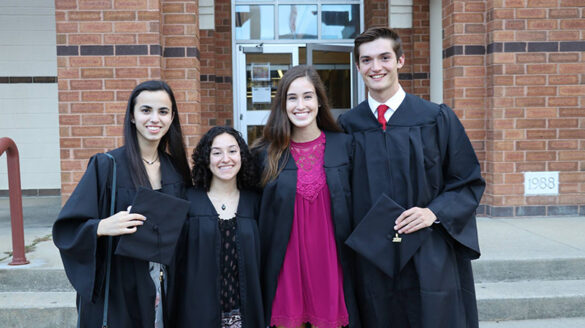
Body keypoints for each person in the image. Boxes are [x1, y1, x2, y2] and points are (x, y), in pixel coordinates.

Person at [337, 27, 486, 328]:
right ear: (357, 67)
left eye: (384, 57)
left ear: (400, 60)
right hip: (371, 254)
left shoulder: (435, 117)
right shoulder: (347, 126)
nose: (375, 67)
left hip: (428, 250)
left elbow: (467, 180)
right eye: (366, 60)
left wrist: (433, 212)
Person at [53, 80, 192, 327]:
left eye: (163, 112)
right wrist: (101, 226)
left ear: (172, 118)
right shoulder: (107, 166)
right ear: (132, 116)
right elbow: (66, 229)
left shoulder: (177, 171)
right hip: (119, 285)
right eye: (146, 110)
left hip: (164, 285)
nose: (155, 119)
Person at [252, 65, 360, 328]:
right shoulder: (265, 154)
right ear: (283, 105)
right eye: (292, 98)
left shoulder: (344, 147)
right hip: (285, 266)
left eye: (308, 96)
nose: (301, 105)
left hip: (331, 264)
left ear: (320, 102)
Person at [169, 126, 264, 328]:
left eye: (232, 151)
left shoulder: (255, 202)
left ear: (242, 156)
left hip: (245, 315)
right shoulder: (189, 201)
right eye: (217, 152)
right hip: (197, 314)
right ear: (206, 158)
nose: (225, 159)